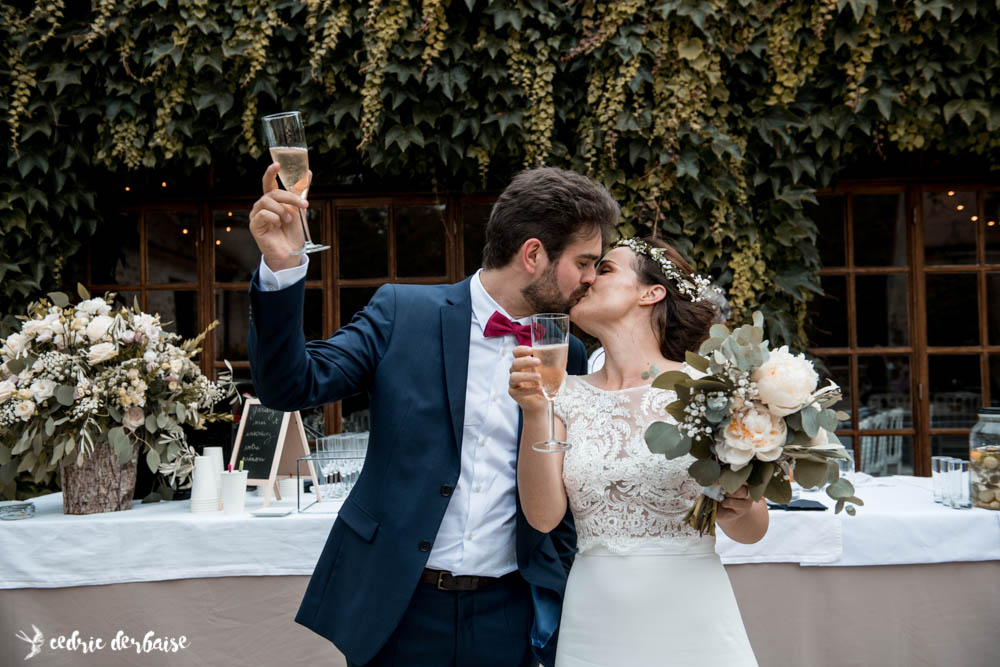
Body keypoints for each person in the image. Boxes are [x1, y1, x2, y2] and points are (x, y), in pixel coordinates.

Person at [246, 165, 619, 666]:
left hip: (510, 613)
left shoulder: (567, 353)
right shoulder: (403, 311)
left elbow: (562, 494)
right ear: (533, 254)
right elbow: (292, 385)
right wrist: (282, 268)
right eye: (585, 262)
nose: (592, 278)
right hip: (399, 607)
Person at [509, 236, 767, 667]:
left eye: (605, 269)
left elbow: (753, 528)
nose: (588, 278)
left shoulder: (710, 387)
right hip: (594, 622)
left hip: (693, 619)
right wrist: (535, 412)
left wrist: (741, 505)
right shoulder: (562, 393)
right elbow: (543, 517)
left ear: (652, 293)